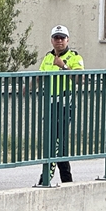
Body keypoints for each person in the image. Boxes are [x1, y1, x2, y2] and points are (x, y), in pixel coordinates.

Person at [37, 25, 85, 186]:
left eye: (62, 38)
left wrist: (63, 66)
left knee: (55, 142)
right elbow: (40, 77)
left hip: (65, 107)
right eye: (56, 38)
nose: (59, 41)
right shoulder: (47, 57)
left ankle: (45, 179)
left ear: (67, 40)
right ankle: (67, 181)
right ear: (52, 40)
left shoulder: (74, 57)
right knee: (59, 145)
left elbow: (80, 79)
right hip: (50, 106)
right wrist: (26, 87)